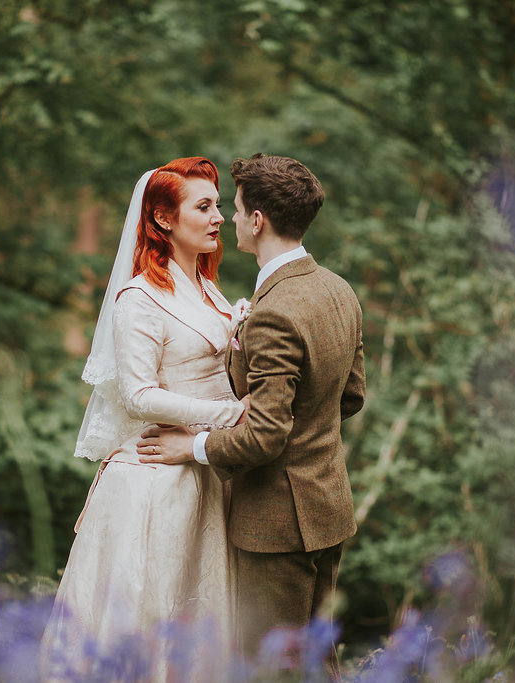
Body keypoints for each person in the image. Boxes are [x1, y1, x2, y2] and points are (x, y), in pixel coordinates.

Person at [137, 153, 366, 677]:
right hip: (328, 507)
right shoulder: (338, 290)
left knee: (275, 669)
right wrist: (305, 427)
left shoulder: (276, 312)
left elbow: (264, 435)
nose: (231, 219)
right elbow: (349, 396)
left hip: (277, 526)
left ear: (258, 220)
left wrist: (189, 446)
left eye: (237, 210)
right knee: (317, 663)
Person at [40, 157, 248, 680]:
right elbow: (138, 395)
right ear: (162, 220)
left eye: (219, 205)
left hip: (201, 474)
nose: (219, 217)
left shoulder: (206, 287)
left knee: (196, 621)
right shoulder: (139, 298)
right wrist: (229, 415)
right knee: (148, 617)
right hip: (155, 483)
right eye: (203, 207)